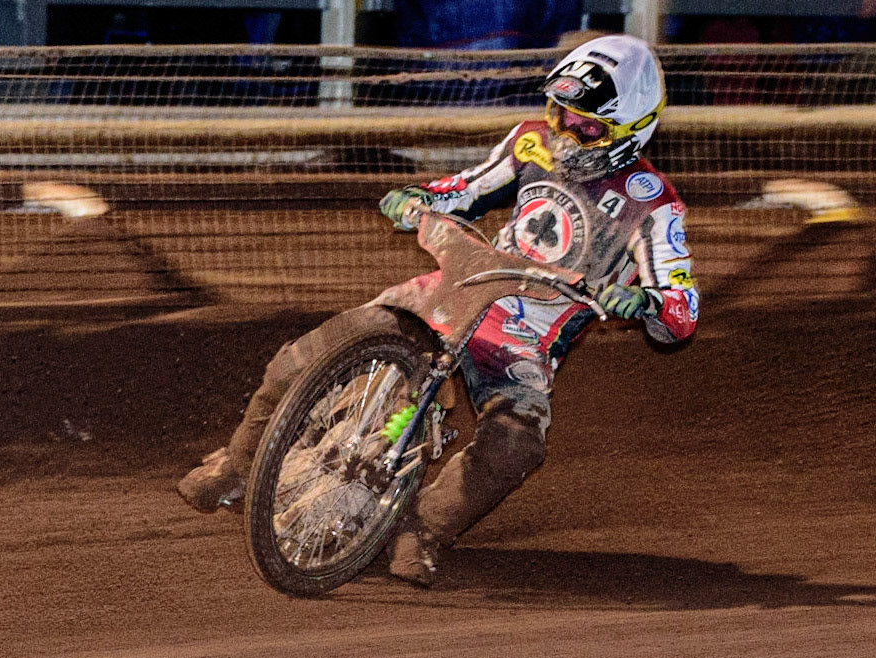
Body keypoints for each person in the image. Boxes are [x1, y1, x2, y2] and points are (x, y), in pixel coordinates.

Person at [179, 35, 699, 589]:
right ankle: (236, 464)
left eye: (587, 126)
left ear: (630, 130)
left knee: (515, 444)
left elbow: (682, 309)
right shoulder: (530, 144)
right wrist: (419, 197)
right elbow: (467, 189)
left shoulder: (653, 205)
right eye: (560, 114)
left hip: (524, 332)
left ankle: (422, 529)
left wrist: (643, 302)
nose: (566, 133)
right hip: (460, 282)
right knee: (300, 357)